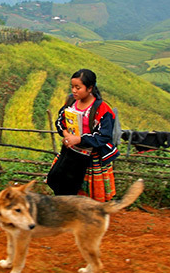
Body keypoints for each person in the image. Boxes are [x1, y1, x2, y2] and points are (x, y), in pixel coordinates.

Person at [47, 69, 119, 201]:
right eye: (72, 87)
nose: (74, 90)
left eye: (78, 87)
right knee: (58, 181)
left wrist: (79, 139)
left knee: (86, 194)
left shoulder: (102, 109)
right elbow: (59, 121)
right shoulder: (71, 102)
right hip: (70, 152)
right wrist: (66, 134)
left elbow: (104, 136)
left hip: (90, 157)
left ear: (90, 88)